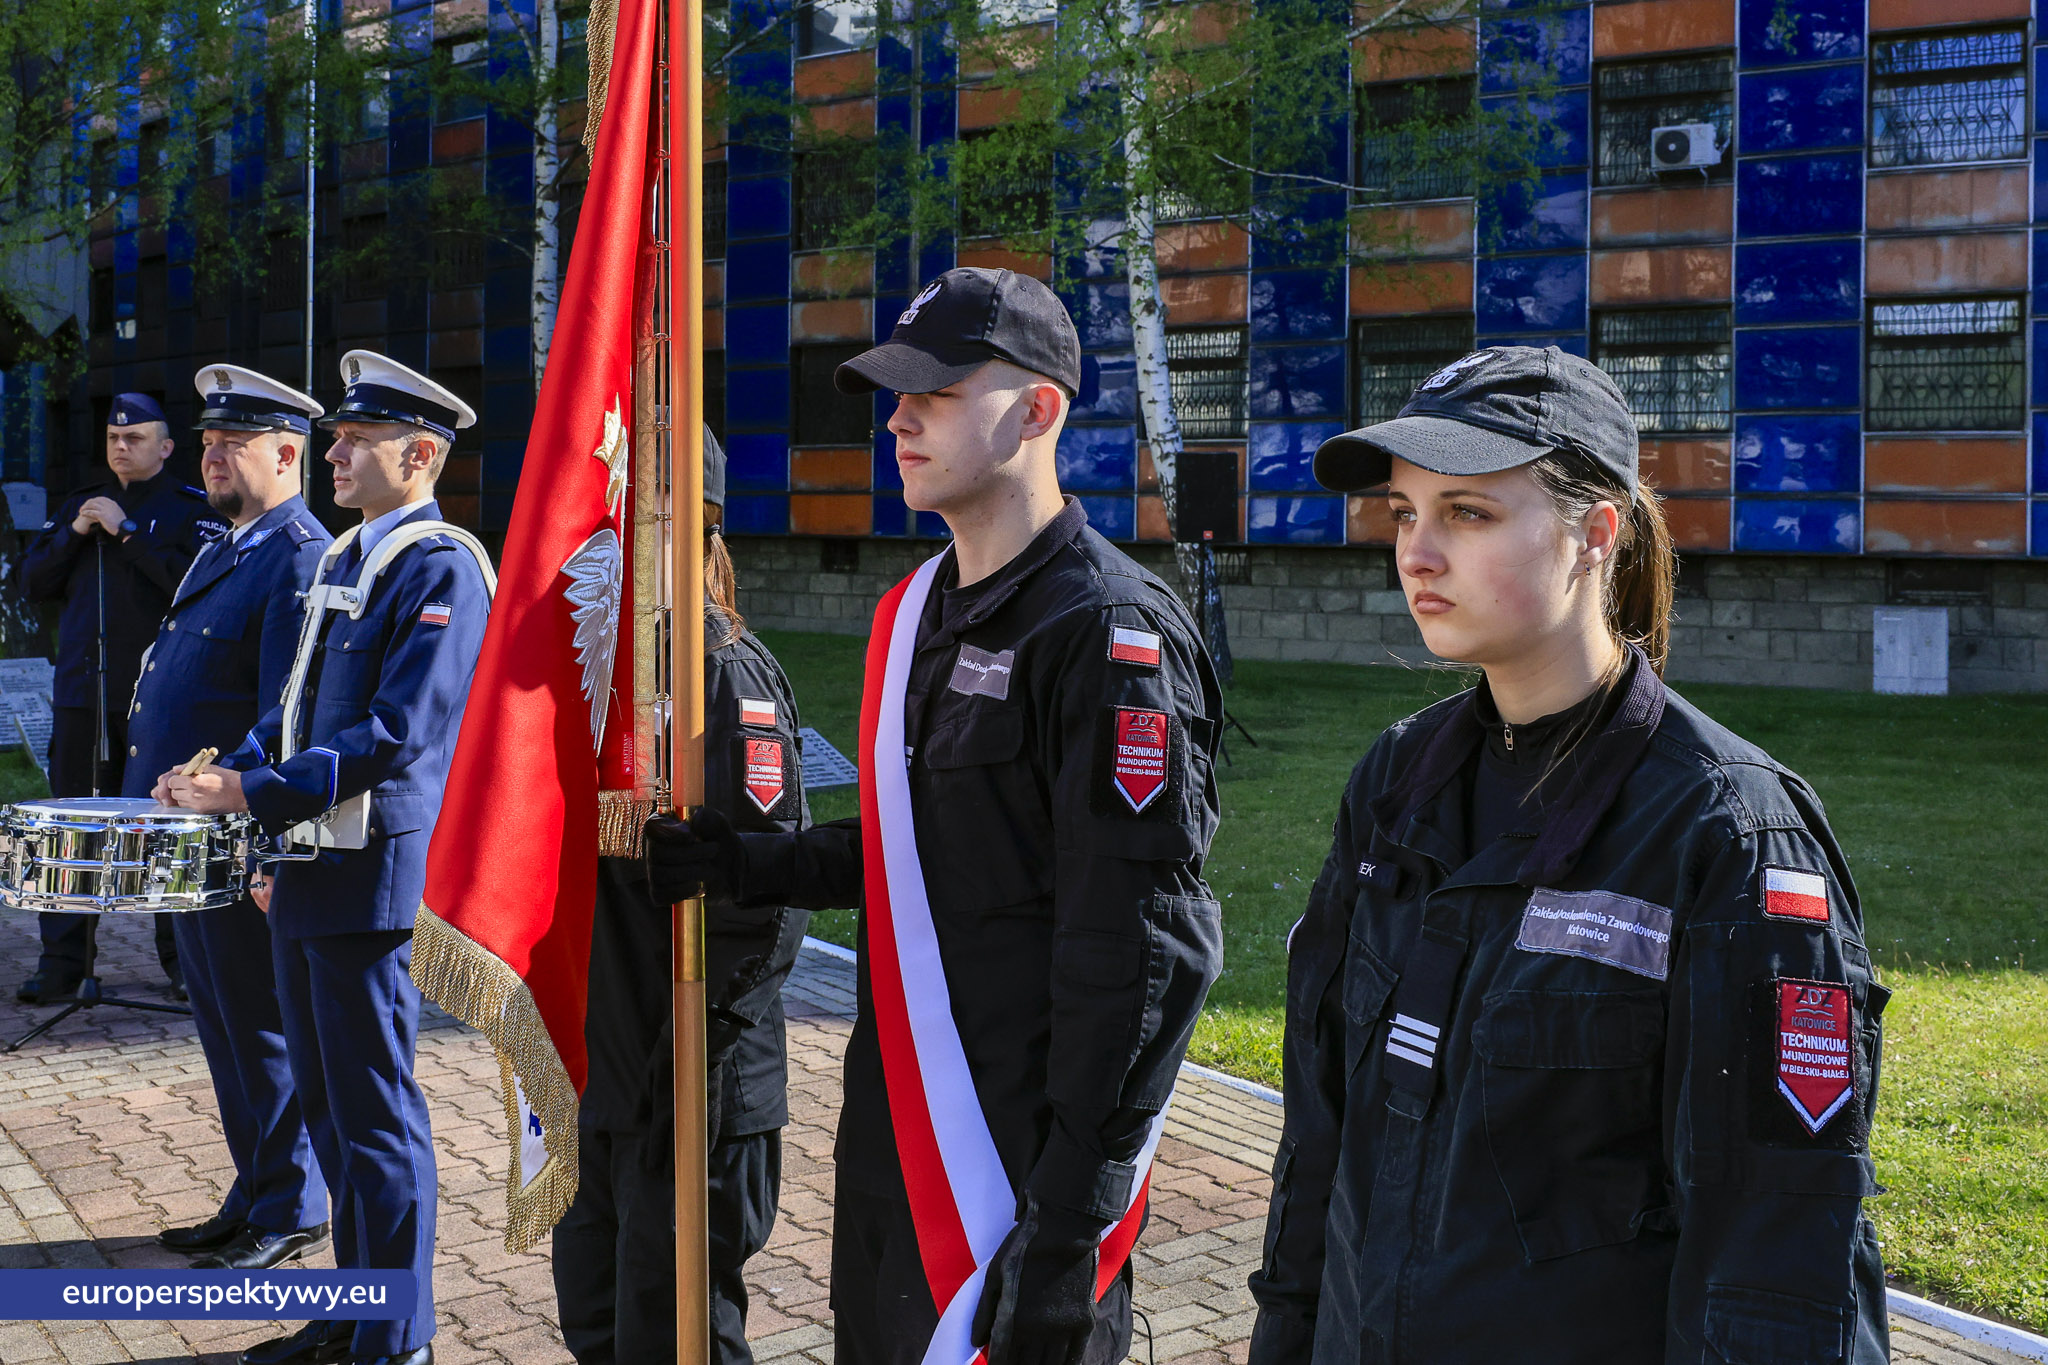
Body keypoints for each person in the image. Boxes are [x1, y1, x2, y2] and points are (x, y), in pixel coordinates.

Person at [1245, 346, 1889, 1364]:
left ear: (1595, 534)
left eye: (1466, 513)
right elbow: (1322, 1137)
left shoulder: (1724, 834)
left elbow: (1776, 1250)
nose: (1414, 554)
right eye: (1403, 514)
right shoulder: (1394, 784)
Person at [646, 267, 1226, 1365]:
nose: (899, 417)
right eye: (893, 393)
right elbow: (922, 855)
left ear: (1040, 409)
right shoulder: (918, 613)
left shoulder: (1106, 636)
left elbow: (1142, 958)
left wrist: (1070, 1230)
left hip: (1017, 1165)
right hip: (894, 1132)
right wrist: (746, 861)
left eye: (938, 391)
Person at [167, 351, 493, 1365]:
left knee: (375, 1117)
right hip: (312, 870)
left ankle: (395, 1339)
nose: (335, 454)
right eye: (339, 437)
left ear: (421, 453)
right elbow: (297, 704)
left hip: (366, 877)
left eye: (355, 441)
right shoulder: (350, 556)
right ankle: (352, 1313)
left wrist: (255, 791)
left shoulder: (440, 562)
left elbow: (399, 729)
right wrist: (231, 766)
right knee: (331, 1106)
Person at [552, 428, 812, 1365]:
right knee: (597, 1321)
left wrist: (683, 1074)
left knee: (678, 1342)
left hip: (690, 1084)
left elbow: (765, 902)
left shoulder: (720, 673)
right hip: (607, 1078)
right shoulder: (598, 671)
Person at [136, 365, 332, 1271]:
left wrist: (258, 838)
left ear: (288, 453)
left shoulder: (298, 555)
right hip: (191, 836)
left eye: (234, 442)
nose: (212, 453)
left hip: (235, 835)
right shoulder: (229, 543)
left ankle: (290, 1204)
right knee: (221, 1021)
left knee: (259, 1022)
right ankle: (254, 1188)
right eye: (208, 439)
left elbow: (286, 712)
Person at [17, 392, 227, 1003]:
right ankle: (62, 963)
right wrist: (78, 531)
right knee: (72, 829)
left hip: (156, 700)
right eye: (113, 438)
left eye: (134, 439)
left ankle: (182, 963)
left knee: (163, 825)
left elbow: (191, 585)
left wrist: (128, 533)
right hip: (85, 696)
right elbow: (32, 583)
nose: (121, 447)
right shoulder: (79, 506)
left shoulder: (194, 510)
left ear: (164, 447)